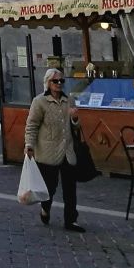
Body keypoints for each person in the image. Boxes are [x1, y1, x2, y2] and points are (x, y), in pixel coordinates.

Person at [24, 68, 85, 232]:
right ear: (48, 83)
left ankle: (71, 220)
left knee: (70, 188)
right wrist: (29, 145)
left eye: (61, 81)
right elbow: (32, 126)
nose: (59, 84)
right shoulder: (39, 102)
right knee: (49, 188)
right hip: (48, 152)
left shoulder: (68, 100)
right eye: (55, 81)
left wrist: (75, 118)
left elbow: (76, 127)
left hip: (67, 151)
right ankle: (45, 208)